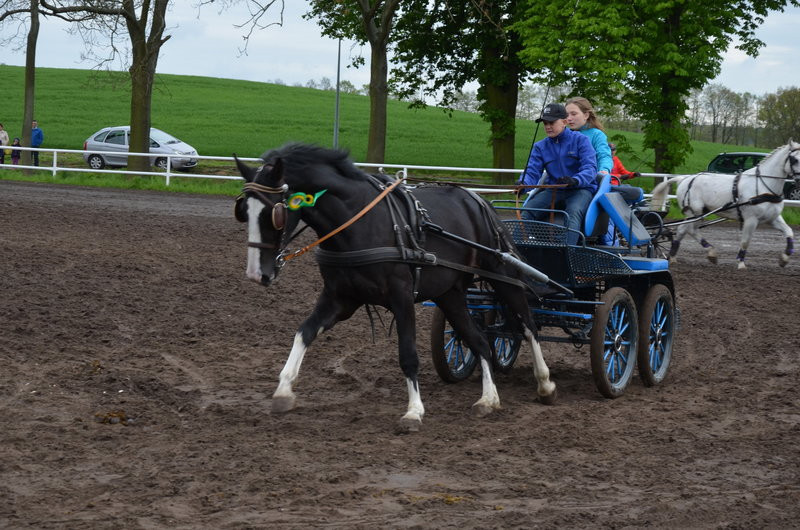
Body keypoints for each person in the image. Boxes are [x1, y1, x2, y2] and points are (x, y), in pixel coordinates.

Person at [517, 103, 597, 245]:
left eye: (551, 122)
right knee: (527, 211)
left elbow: (590, 168)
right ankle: (514, 249)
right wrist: (523, 184)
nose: (548, 126)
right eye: (545, 123)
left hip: (580, 189)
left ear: (564, 122)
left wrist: (576, 180)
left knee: (573, 212)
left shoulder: (581, 140)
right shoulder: (540, 146)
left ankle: (567, 252)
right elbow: (532, 171)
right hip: (554, 190)